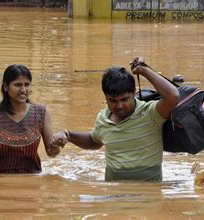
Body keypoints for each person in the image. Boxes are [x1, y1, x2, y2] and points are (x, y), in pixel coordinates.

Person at [51, 57, 179, 181]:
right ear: (105, 97)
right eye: (112, 101)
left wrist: (144, 70)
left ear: (134, 92)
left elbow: (173, 96)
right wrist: (67, 134)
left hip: (149, 195)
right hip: (113, 193)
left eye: (124, 99)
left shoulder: (150, 113)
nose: (119, 106)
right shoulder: (103, 118)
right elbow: (94, 141)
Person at [0, 64, 61, 174]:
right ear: (5, 86)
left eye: (27, 85)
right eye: (18, 85)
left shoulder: (42, 113)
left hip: (32, 181)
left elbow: (51, 152)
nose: (23, 90)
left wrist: (55, 148)